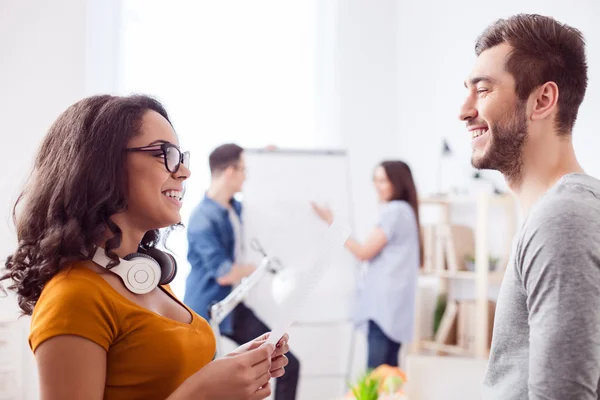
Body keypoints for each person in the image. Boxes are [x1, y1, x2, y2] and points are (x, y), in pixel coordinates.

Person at [0, 95, 290, 400]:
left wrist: (231, 371)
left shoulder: (142, 277)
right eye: (166, 153)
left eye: (181, 157)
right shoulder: (74, 297)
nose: (184, 172)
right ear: (102, 165)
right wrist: (202, 394)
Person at [460, 14, 600, 399]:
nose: (464, 110)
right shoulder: (565, 212)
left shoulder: (562, 220)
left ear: (542, 100)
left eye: (483, 90)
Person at [184, 143, 300, 400]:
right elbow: (224, 273)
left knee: (287, 362)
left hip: (233, 306)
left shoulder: (234, 208)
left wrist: (272, 161)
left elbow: (267, 206)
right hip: (207, 310)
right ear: (229, 171)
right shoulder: (203, 218)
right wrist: (261, 268)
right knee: (210, 384)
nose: (246, 176)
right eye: (244, 170)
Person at [312, 160, 422, 369]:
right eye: (375, 180)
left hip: (383, 308)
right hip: (394, 307)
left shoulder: (394, 211)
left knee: (375, 376)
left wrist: (331, 222)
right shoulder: (407, 211)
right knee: (389, 376)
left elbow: (363, 252)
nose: (377, 186)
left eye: (383, 180)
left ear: (397, 182)